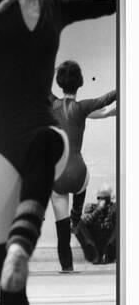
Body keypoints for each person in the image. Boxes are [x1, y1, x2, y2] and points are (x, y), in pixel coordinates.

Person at [0, 0, 116, 305]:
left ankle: (42, 255)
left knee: (53, 219)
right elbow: (104, 103)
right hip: (67, 162)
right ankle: (74, 221)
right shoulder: (79, 106)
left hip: (9, 143)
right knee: (72, 167)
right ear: (77, 84)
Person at [49, 60, 117, 272]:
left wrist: (52, 70)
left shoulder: (51, 104)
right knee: (84, 179)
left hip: (57, 175)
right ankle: (76, 214)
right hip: (78, 173)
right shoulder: (83, 107)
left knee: (62, 233)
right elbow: (106, 99)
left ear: (60, 83)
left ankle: (67, 268)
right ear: (79, 84)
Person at [75, 184, 117, 264]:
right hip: (94, 243)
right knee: (77, 223)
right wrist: (98, 210)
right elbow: (84, 222)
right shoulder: (91, 207)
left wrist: (114, 206)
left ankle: (108, 254)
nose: (101, 200)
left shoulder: (113, 208)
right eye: (99, 198)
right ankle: (94, 254)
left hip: (109, 243)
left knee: (121, 222)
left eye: (105, 198)